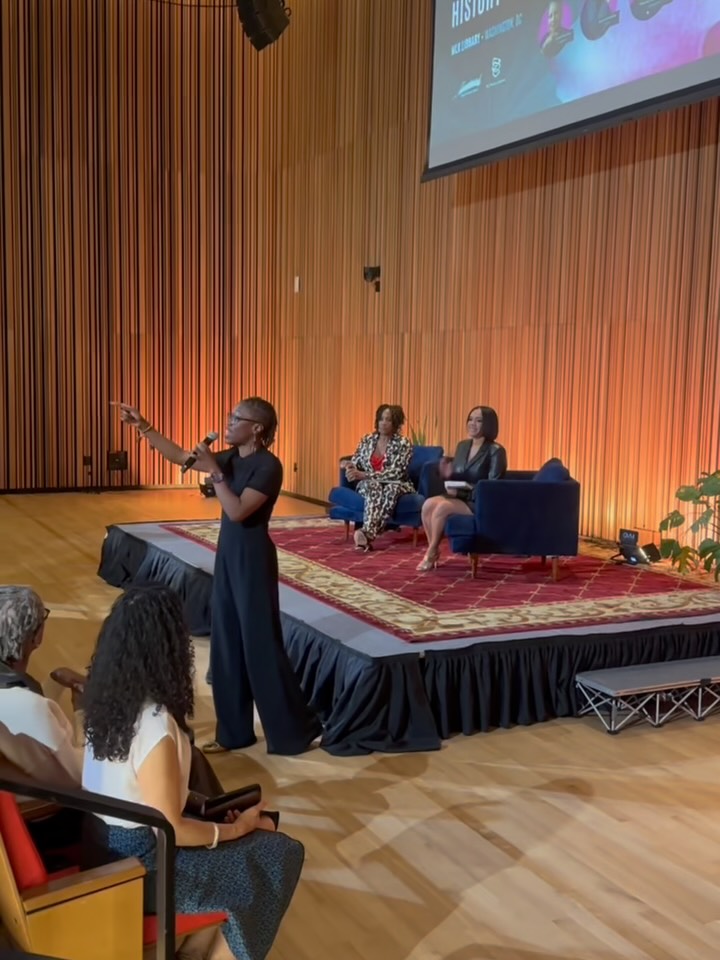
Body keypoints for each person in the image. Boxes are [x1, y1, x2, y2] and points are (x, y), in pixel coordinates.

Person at [82, 585, 304, 960]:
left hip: (106, 849)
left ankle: (198, 950)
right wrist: (236, 829)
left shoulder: (107, 703)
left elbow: (141, 795)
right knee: (279, 853)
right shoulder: (154, 724)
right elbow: (172, 828)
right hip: (146, 867)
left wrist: (214, 817)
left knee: (259, 839)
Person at [114, 397, 320, 756]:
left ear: (256, 428)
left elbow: (238, 511)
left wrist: (216, 472)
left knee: (260, 645)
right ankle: (233, 733)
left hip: (253, 560)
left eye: (236, 418)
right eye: (229, 416)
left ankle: (291, 733)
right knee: (226, 644)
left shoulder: (268, 466)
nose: (228, 422)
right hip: (227, 557)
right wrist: (143, 426)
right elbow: (179, 456)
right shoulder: (230, 458)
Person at [0, 586, 81, 789]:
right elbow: (82, 777)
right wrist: (83, 711)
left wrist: (54, 683)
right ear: (37, 637)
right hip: (45, 811)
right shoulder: (31, 707)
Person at [417, 406, 507, 571]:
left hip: (479, 501)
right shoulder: (463, 446)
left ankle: (431, 552)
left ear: (488, 424)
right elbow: (461, 476)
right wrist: (448, 475)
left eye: (478, 420)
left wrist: (461, 492)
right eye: (470, 419)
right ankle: (434, 548)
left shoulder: (496, 451)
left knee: (442, 507)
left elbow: (493, 486)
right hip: (459, 496)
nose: (472, 424)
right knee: (428, 505)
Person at [342, 404, 414, 550]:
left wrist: (366, 475)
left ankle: (367, 534)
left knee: (391, 489)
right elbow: (357, 460)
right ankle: (369, 534)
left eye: (387, 419)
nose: (383, 423)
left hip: (395, 483)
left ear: (395, 422)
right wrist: (349, 466)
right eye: (381, 419)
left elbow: (397, 472)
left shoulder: (403, 443)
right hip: (369, 484)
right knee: (372, 486)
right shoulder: (367, 439)